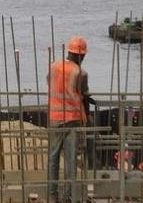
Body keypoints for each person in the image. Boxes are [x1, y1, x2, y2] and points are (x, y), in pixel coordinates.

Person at [47, 36, 94, 203]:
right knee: (70, 160)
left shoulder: (53, 67)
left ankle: (52, 196)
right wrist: (87, 117)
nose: (83, 59)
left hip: (54, 118)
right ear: (79, 55)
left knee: (52, 157)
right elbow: (84, 97)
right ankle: (67, 197)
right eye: (82, 56)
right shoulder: (80, 73)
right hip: (73, 120)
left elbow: (50, 84)